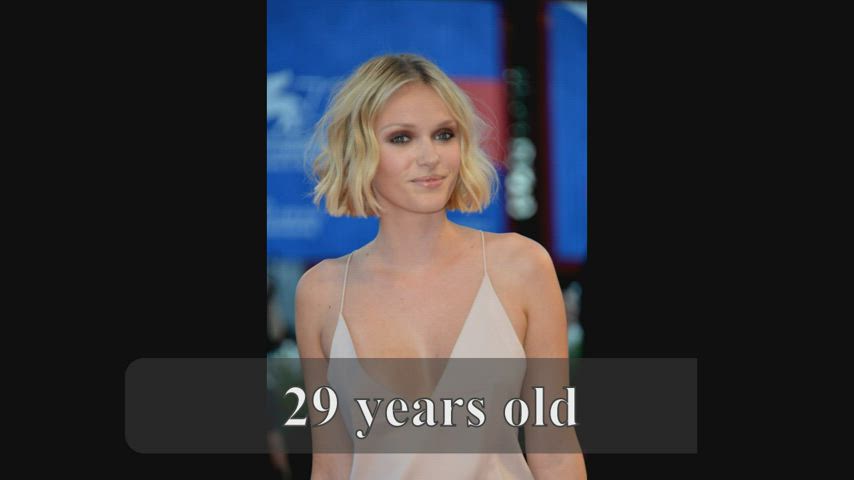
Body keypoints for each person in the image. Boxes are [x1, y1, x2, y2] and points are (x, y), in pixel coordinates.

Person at [294, 53, 586, 479]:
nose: (430, 156)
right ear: (360, 150)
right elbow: (331, 466)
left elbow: (555, 451)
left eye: (444, 134)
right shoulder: (320, 292)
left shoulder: (521, 267)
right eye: (401, 138)